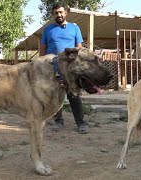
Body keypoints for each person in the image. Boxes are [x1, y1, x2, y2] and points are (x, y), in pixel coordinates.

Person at [39, 2, 89, 134]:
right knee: (55, 95)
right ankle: (58, 121)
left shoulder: (74, 28)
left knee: (74, 94)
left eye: (61, 12)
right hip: (52, 66)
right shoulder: (48, 30)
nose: (59, 15)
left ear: (66, 13)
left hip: (70, 67)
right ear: (53, 14)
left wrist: (71, 53)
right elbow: (42, 51)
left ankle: (81, 123)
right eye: (56, 13)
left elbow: (79, 47)